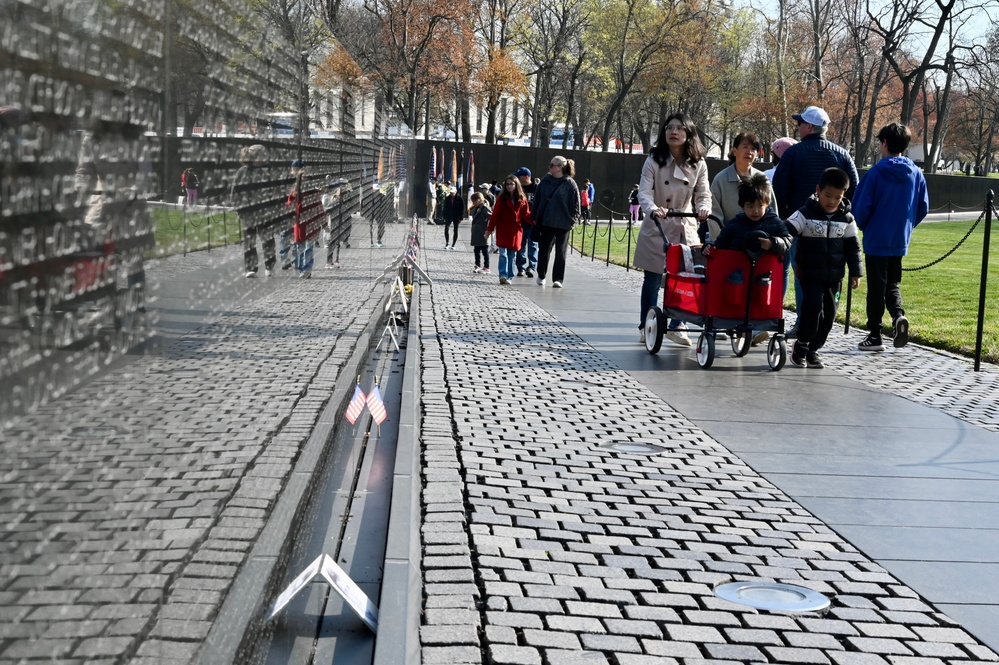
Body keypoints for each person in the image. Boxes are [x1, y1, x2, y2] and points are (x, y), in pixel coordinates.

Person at [771, 106, 859, 337]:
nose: (798, 127)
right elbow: (854, 188)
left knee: (803, 274)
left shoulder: (793, 153)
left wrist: (782, 221)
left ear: (809, 127)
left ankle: (804, 324)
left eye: (800, 123)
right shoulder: (842, 154)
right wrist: (841, 212)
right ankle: (820, 325)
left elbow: (778, 191)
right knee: (828, 277)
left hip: (800, 224)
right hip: (834, 227)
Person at [635, 113, 711, 346]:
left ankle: (678, 324)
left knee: (686, 277)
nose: (673, 132)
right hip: (658, 224)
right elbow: (644, 191)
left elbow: (703, 192)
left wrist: (704, 208)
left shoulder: (698, 162)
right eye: (669, 127)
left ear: (688, 133)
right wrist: (652, 208)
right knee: (652, 278)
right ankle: (646, 325)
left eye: (679, 128)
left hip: (684, 223)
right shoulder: (653, 160)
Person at [852, 122, 929, 352]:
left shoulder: (876, 171)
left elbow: (861, 206)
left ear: (884, 143)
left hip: (876, 239)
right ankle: (897, 317)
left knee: (876, 287)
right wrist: (907, 227)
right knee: (893, 283)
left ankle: (875, 334)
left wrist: (864, 226)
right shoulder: (916, 173)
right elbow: (923, 206)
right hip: (899, 239)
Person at [784, 168, 863, 368]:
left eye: (838, 197)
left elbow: (853, 247)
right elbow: (787, 229)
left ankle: (814, 350)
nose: (832, 201)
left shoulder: (847, 219)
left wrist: (856, 272)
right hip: (810, 275)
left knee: (829, 317)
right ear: (818, 190)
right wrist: (777, 240)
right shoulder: (805, 213)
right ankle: (801, 346)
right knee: (813, 310)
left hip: (834, 278)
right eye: (828, 195)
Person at [705, 175, 791, 346]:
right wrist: (710, 247)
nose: (756, 211)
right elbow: (721, 244)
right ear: (742, 206)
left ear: (767, 204)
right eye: (750, 206)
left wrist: (773, 243)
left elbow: (787, 240)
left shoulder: (774, 222)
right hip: (739, 276)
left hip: (762, 276)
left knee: (760, 300)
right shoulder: (736, 223)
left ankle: (760, 327)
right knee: (736, 296)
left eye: (760, 206)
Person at [708, 132, 778, 242]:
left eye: (753, 149)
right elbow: (714, 216)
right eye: (745, 147)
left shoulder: (762, 178)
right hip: (730, 244)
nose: (749, 152)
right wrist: (720, 243)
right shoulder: (720, 179)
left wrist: (772, 241)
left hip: (760, 243)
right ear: (734, 151)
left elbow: (772, 212)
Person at [532, 155, 580, 289]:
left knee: (561, 252)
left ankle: (558, 279)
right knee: (544, 250)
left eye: (551, 165)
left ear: (559, 168)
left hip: (563, 223)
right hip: (546, 221)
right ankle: (541, 275)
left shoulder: (570, 183)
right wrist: (534, 216)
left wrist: (572, 219)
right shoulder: (545, 181)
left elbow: (576, 204)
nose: (549, 167)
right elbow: (537, 199)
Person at [231, 145, 276, 278]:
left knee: (268, 240)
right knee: (249, 242)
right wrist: (238, 208)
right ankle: (250, 268)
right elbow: (235, 191)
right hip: (248, 212)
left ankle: (269, 266)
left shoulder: (270, 170)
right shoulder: (243, 171)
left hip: (266, 211)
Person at [487, 175, 529, 285]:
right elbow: (495, 215)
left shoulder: (522, 199)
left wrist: (536, 221)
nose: (509, 186)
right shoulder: (502, 198)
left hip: (515, 230)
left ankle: (510, 276)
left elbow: (526, 214)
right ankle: (503, 275)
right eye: (508, 184)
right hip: (503, 229)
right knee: (503, 253)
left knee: (512, 255)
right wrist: (489, 230)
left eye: (512, 184)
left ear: (516, 185)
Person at [514, 167, 538, 277]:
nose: (517, 178)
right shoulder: (517, 189)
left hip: (534, 222)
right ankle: (520, 267)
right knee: (520, 245)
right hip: (521, 221)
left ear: (527, 177)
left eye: (519, 177)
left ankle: (532, 267)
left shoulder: (537, 188)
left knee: (533, 245)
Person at [468, 192, 492, 274]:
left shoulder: (485, 208)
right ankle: (477, 265)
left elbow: (491, 217)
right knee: (476, 250)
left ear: (478, 200)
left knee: (485, 251)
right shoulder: (476, 208)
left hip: (483, 232)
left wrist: (488, 229)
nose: (472, 203)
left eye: (473, 201)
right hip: (476, 233)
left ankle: (486, 267)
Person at [441, 185, 464, 249]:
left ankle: (453, 244)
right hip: (449, 216)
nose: (452, 194)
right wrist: (444, 216)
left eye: (453, 193)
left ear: (456, 192)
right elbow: (445, 207)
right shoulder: (448, 198)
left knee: (455, 230)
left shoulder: (460, 198)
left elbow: (462, 208)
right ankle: (447, 243)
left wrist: (461, 217)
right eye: (451, 193)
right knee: (446, 229)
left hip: (456, 216)